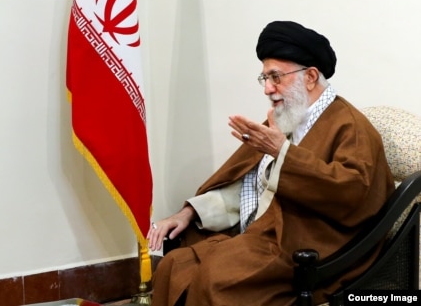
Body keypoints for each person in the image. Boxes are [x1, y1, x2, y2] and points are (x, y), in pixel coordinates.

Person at [147, 21, 394, 306]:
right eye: (264, 78)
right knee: (174, 266)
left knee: (218, 277)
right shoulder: (287, 117)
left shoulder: (351, 126)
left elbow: (353, 193)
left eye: (276, 77)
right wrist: (189, 213)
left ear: (311, 77)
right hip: (261, 235)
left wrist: (283, 153)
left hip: (307, 246)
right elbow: (247, 181)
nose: (267, 88)